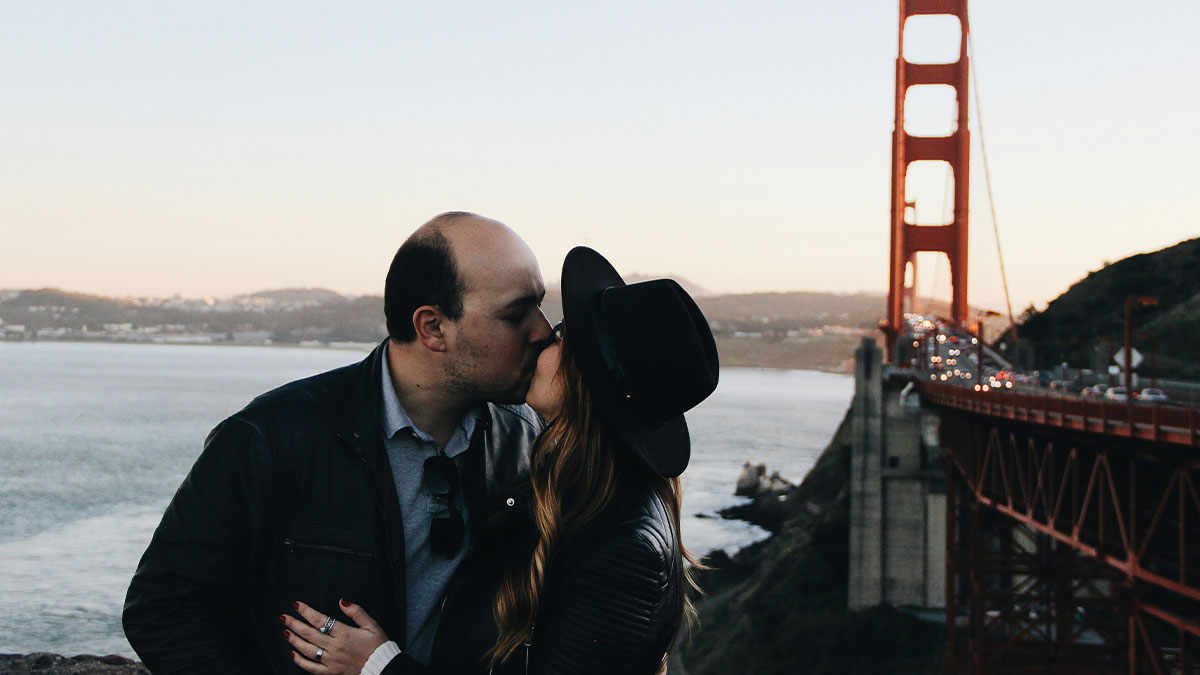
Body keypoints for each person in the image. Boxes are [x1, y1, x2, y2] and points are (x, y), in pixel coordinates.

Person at [122, 212, 553, 673]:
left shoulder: (527, 441)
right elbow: (163, 607)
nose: (543, 330)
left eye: (539, 307)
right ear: (431, 328)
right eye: (515, 314)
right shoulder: (273, 438)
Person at [280, 246, 719, 675]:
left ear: (585, 381)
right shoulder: (576, 487)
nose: (545, 335)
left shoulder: (623, 548)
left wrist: (377, 665)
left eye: (563, 336)